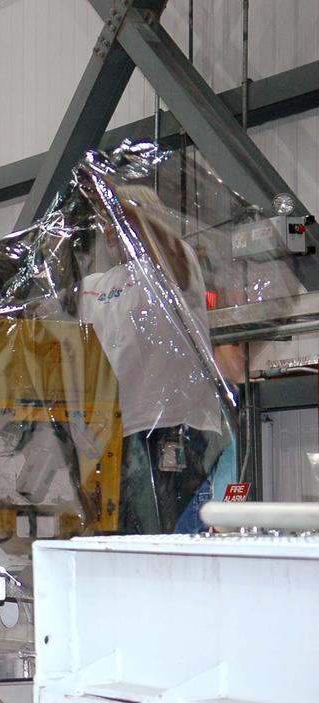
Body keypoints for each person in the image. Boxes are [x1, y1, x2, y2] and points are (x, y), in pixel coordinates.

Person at [79, 185, 226, 534]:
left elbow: (167, 247)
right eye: (105, 220)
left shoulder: (175, 265)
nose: (108, 228)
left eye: (116, 217)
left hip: (174, 427)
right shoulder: (97, 285)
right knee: (126, 537)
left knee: (166, 539)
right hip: (119, 434)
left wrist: (117, 197)